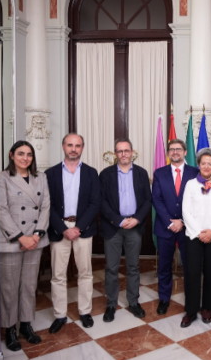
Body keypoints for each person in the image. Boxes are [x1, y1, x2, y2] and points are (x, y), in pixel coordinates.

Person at [45, 134, 101, 333]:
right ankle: (60, 315)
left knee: (85, 273)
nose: (73, 149)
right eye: (70, 145)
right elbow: (47, 205)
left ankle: (85, 311)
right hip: (59, 229)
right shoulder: (50, 174)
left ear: (82, 148)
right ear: (63, 146)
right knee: (58, 276)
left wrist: (78, 227)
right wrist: (63, 228)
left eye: (77, 145)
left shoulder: (91, 173)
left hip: (82, 230)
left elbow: (95, 203)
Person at [0, 141, 50, 351]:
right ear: (11, 155)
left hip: (35, 241)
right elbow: (0, 209)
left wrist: (36, 235)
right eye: (21, 154)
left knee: (29, 285)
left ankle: (26, 325)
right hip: (12, 240)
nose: (25, 158)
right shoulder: (2, 178)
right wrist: (21, 237)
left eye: (29, 154)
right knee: (9, 288)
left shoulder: (41, 177)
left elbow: (46, 205)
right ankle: (10, 329)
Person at [99, 138, 152, 322]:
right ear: (116, 154)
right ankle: (111, 304)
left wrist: (136, 219)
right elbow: (102, 202)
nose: (123, 154)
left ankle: (133, 302)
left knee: (133, 267)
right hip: (113, 227)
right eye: (120, 151)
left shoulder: (141, 173)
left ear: (132, 152)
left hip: (134, 227)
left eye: (126, 150)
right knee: (111, 268)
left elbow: (147, 200)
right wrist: (120, 221)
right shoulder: (105, 174)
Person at [151, 139, 199, 315]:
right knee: (164, 266)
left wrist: (183, 222)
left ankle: (191, 300)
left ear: (185, 152)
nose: (175, 152)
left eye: (179, 149)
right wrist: (171, 222)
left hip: (189, 228)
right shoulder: (159, 173)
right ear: (168, 153)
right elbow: (156, 199)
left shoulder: (195, 173)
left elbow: (198, 201)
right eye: (172, 149)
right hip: (165, 228)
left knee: (190, 266)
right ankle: (164, 299)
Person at [180, 148, 211, 327]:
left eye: (210, 163)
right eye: (203, 163)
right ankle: (191, 310)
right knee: (192, 273)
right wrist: (200, 232)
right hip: (194, 235)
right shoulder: (191, 184)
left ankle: (207, 307)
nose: (206, 166)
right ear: (198, 165)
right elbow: (186, 211)